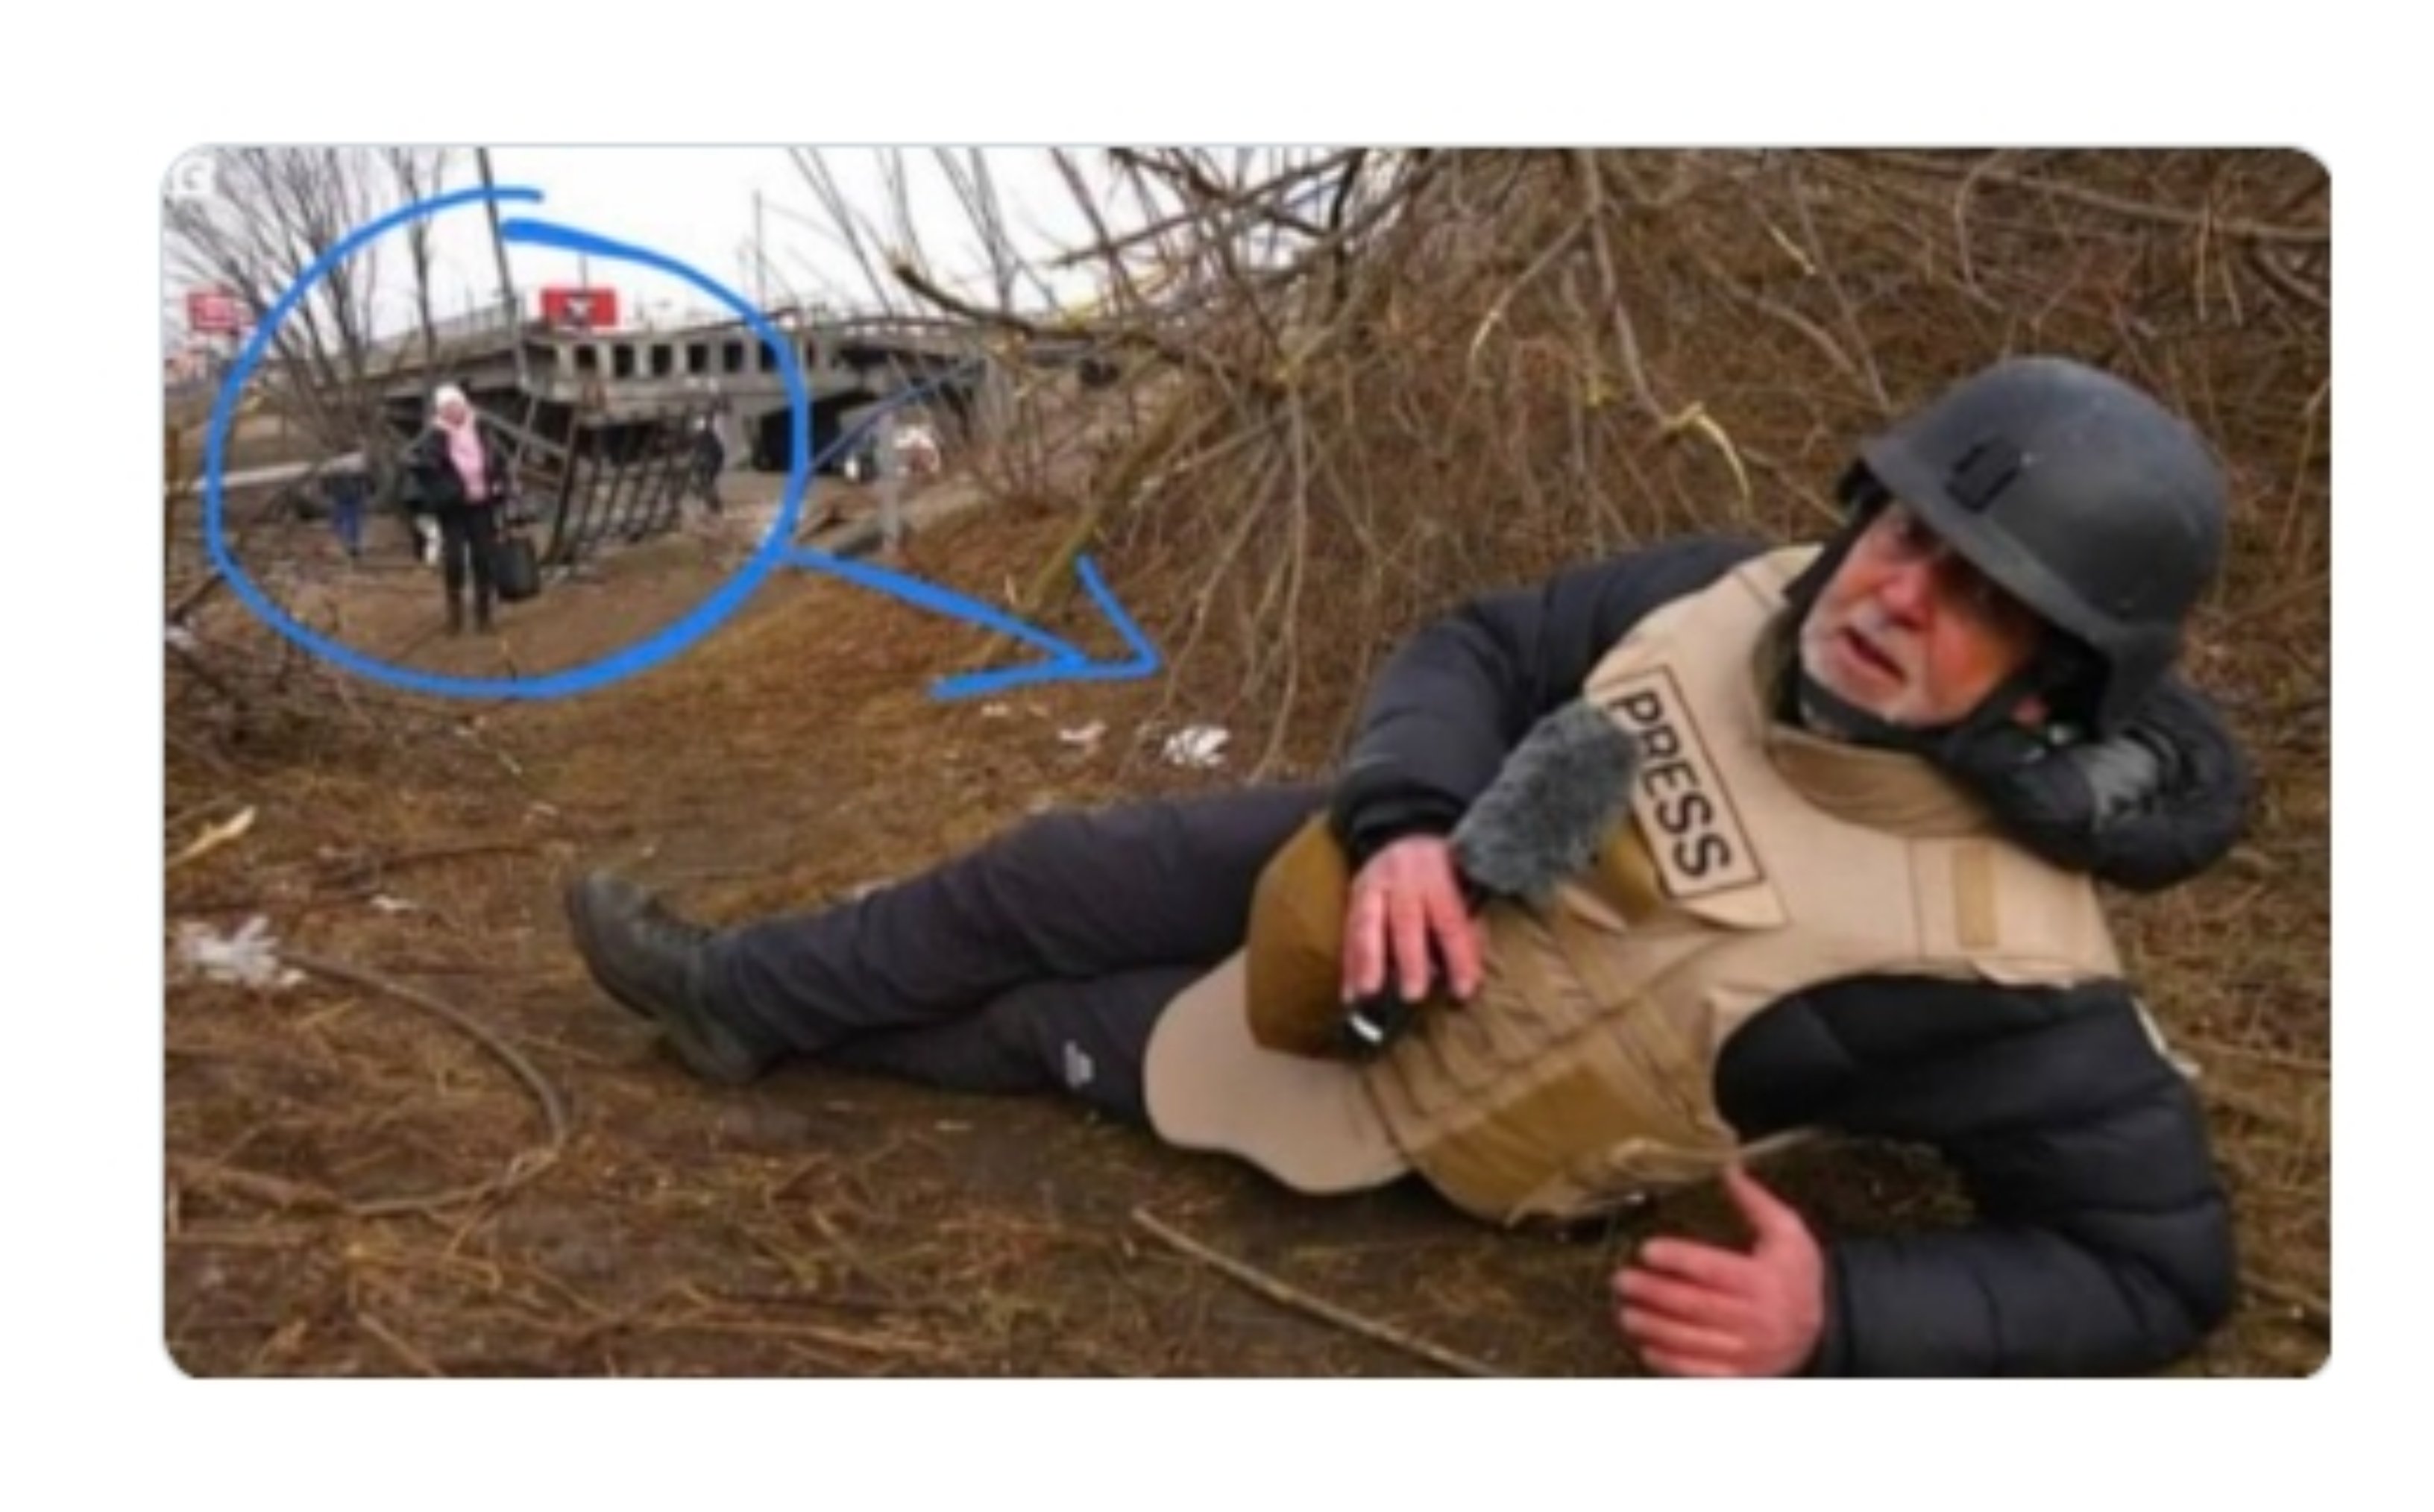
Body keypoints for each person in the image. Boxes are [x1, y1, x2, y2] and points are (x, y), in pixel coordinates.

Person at [563, 354, 2255, 1377]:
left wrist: (1841, 1318)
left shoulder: (2003, 967)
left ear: (2050, 686)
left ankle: (786, 1024)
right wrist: (1406, 828)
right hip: (1405, 880)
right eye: (1903, 534)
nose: (1893, 597)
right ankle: (737, 993)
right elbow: (1484, 642)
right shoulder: (1728, 591)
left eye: (1979, 600)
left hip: (1443, 1090)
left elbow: (2155, 1267)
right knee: (1046, 873)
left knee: (1049, 1022)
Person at [402, 383, 518, 634]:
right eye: (447, 408)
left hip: (483, 503)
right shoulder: (434, 436)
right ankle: (455, 616)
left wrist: (501, 483)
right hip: (453, 507)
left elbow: (499, 459)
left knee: (483, 558)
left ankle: (484, 617)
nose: (453, 411)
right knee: (454, 560)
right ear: (440, 411)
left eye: (456, 405)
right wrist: (444, 486)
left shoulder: (481, 429)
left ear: (464, 405)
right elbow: (414, 460)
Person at [688, 415, 726, 516]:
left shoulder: (707, 438)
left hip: (710, 462)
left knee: (706, 483)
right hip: (707, 462)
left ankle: (714, 506)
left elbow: (717, 454)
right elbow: (697, 453)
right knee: (704, 483)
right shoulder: (705, 438)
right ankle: (713, 505)